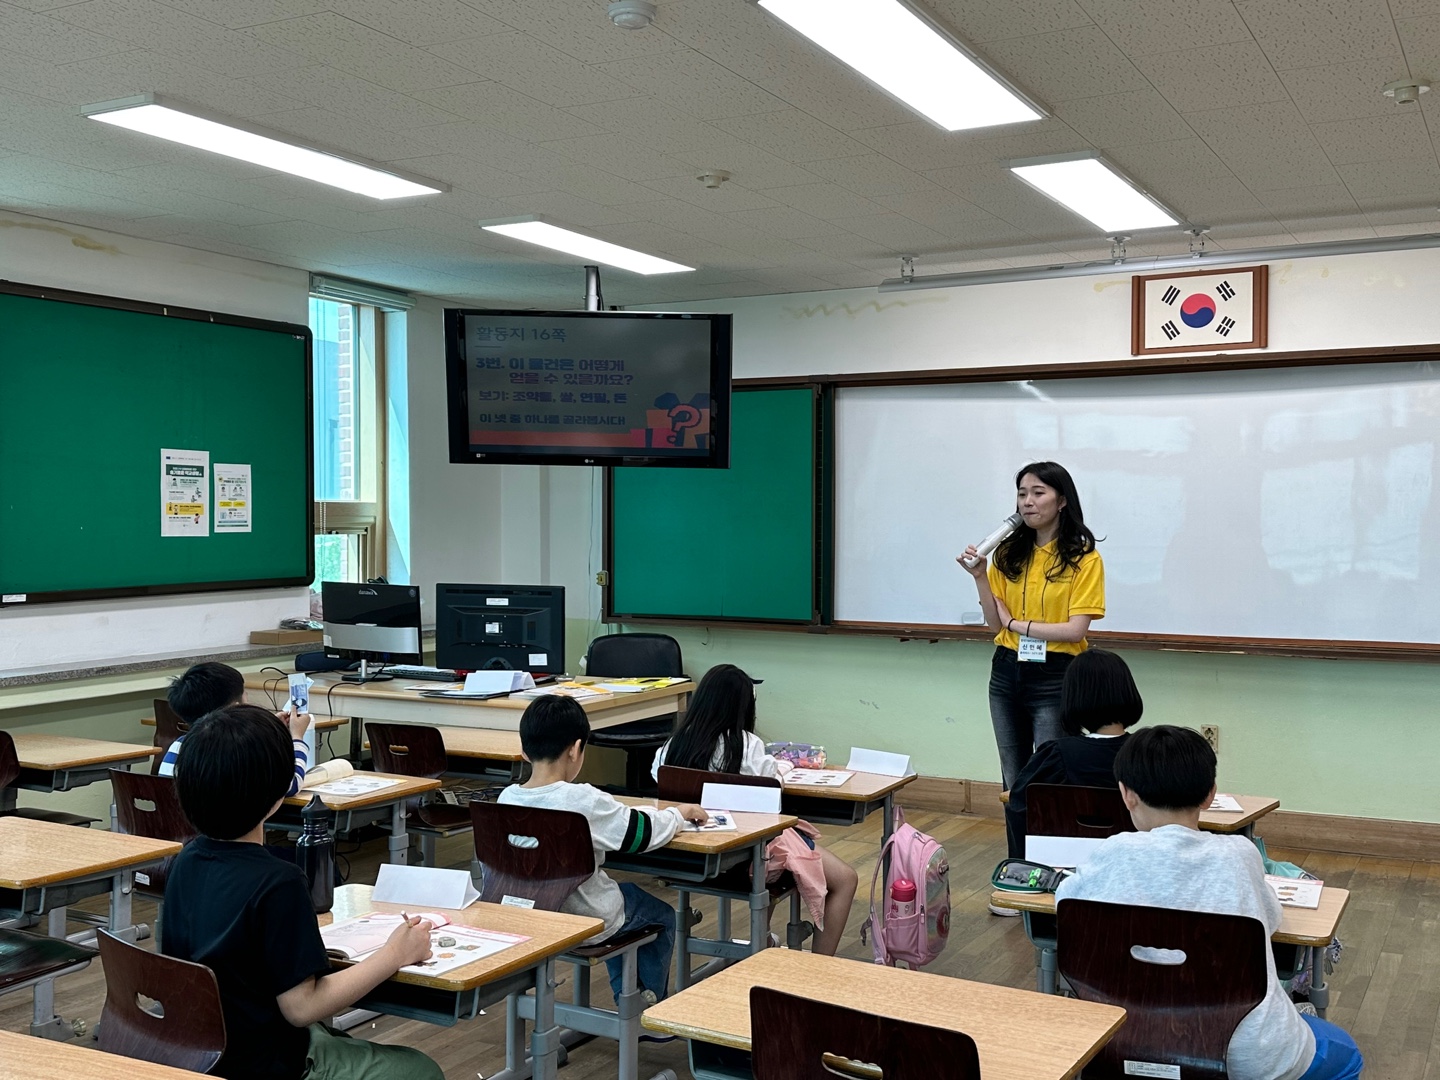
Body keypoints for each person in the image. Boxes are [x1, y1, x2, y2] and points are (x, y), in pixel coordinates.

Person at [1056, 726, 1364, 1080]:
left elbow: (1066, 905)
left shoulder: (1110, 853)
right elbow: (1270, 919)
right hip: (1244, 1054)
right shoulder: (1239, 855)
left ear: (1126, 794)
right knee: (1348, 1056)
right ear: (1210, 794)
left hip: (1119, 1043)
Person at [163, 705, 444, 1080]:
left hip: (199, 1047)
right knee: (421, 1070)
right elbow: (302, 1008)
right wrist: (395, 954)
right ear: (280, 790)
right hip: (261, 1062)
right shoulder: (278, 882)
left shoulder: (185, 860)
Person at [499, 695, 707, 1005]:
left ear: (525, 750)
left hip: (529, 915)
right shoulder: (581, 800)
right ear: (575, 749)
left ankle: (627, 996)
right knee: (659, 914)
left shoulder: (506, 799)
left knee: (623, 896)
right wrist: (678, 814)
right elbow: (640, 834)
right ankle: (642, 1003)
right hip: (584, 918)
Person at [651, 664, 860, 956]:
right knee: (845, 878)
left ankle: (763, 941)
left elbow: (659, 779)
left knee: (771, 846)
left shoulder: (672, 746)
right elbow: (771, 789)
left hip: (690, 858)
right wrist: (781, 768)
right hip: (745, 859)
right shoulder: (746, 745)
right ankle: (818, 966)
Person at [958, 461, 1105, 792]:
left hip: (1056, 674)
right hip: (1007, 670)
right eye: (1022, 494)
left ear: (1062, 500)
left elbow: (1075, 631)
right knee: (1013, 776)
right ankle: (1016, 831)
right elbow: (995, 626)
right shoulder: (1007, 553)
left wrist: (1016, 624)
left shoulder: (1083, 557)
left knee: (1050, 776)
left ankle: (1051, 830)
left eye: (1038, 493)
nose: (1028, 502)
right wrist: (980, 577)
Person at [1004, 648, 1141, 861]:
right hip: (1135, 866)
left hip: (1067, 866)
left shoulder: (1055, 756)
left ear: (1071, 697)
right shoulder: (1150, 752)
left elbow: (1019, 809)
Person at [158, 661, 311, 796]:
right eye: (244, 695)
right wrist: (296, 738)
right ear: (235, 709)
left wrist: (272, 728)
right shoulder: (238, 750)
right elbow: (291, 785)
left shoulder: (178, 747)